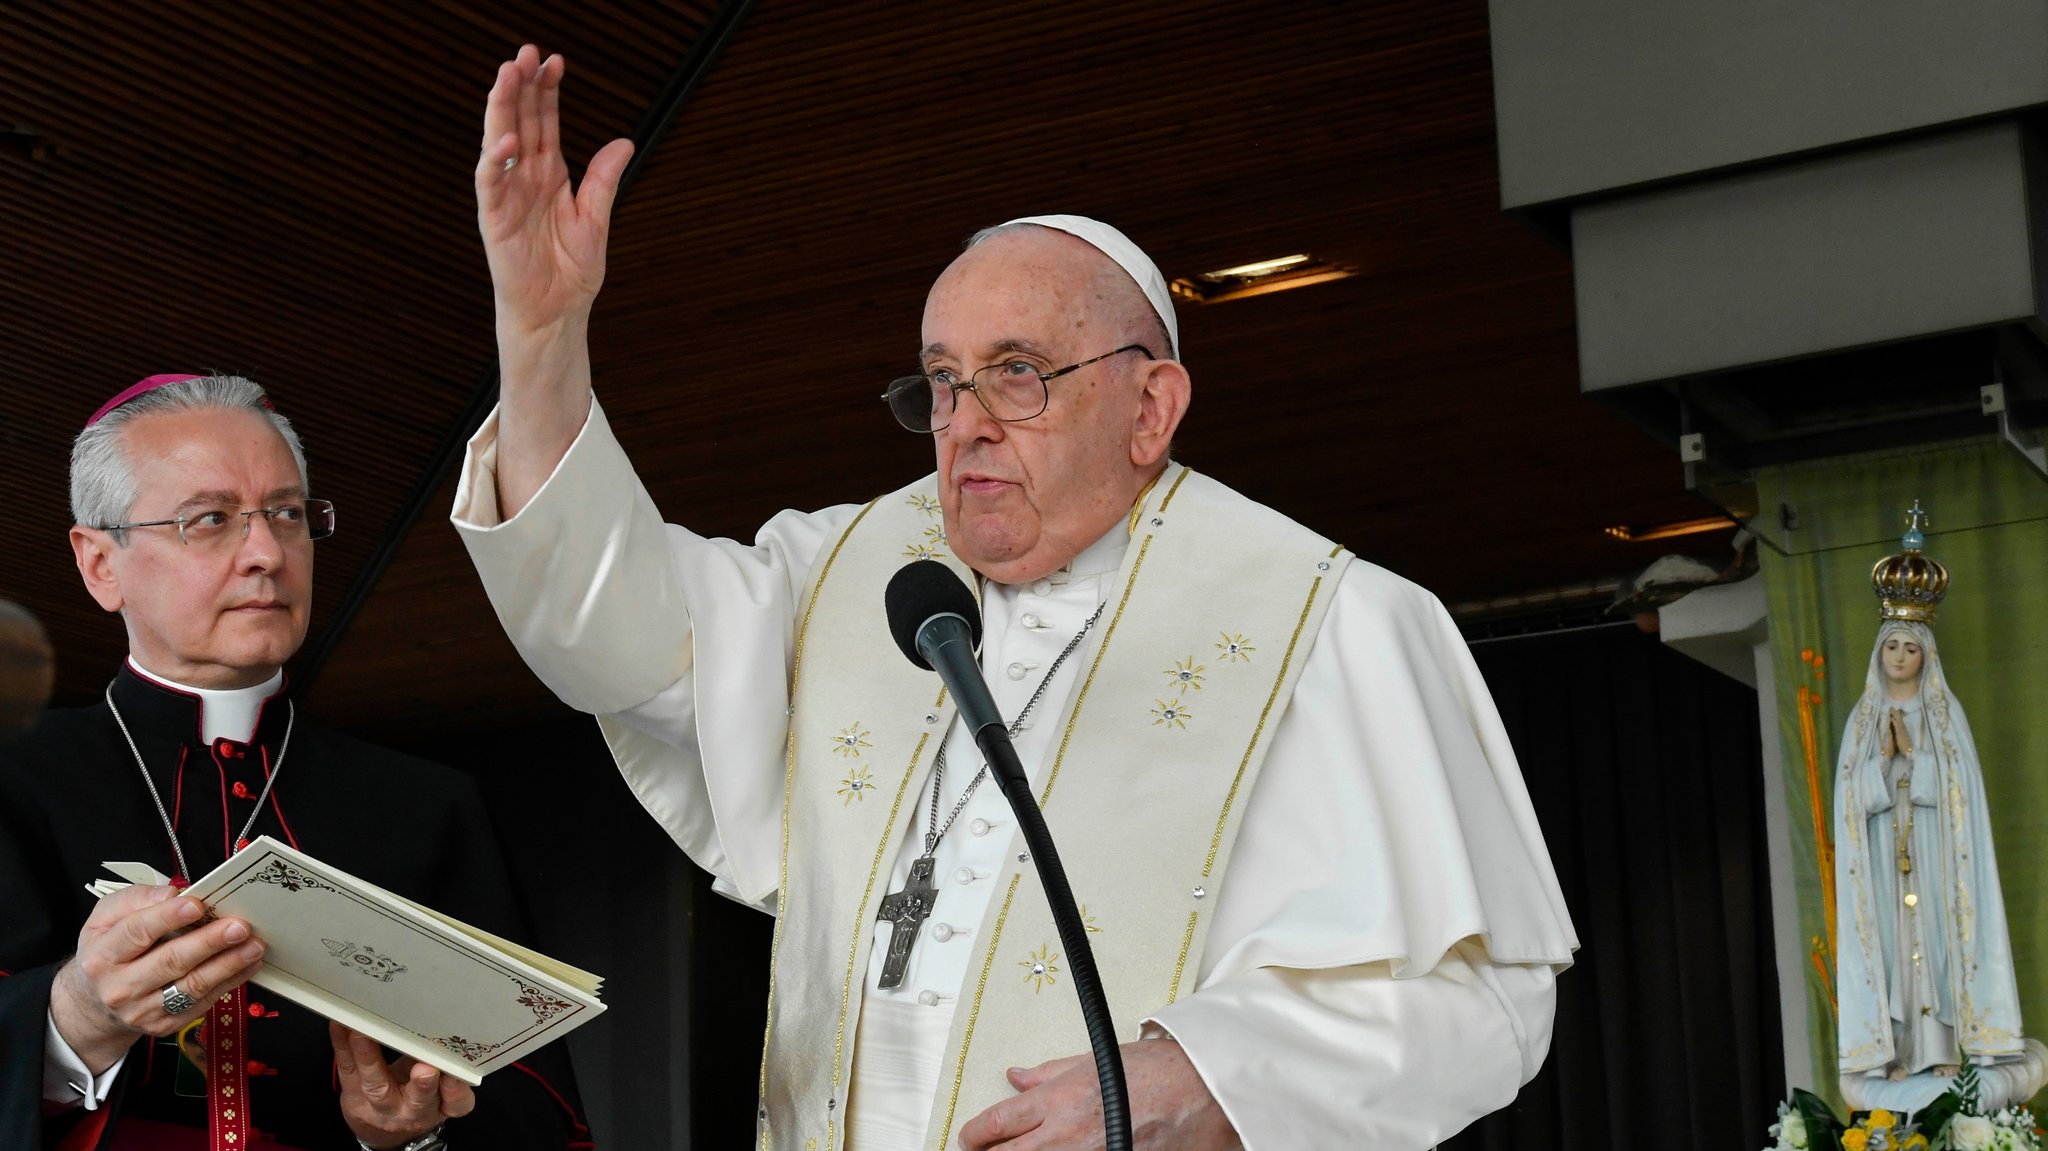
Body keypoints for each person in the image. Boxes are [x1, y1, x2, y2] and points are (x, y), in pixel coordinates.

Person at [457, 45, 1576, 1150]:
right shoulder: (849, 573)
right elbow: (603, 623)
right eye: (942, 379)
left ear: (1151, 407)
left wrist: (1210, 1075)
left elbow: (1480, 1001)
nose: (966, 420)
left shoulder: (1327, 623)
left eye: (1017, 371)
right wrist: (542, 337)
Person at [0, 375, 586, 1151]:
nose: (267, 554)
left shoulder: (426, 807)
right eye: (210, 519)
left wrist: (406, 1138)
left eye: (286, 513)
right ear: (101, 563)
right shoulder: (16, 777)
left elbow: (534, 1111)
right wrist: (73, 1020)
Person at [1833, 513, 2039, 1111]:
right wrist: (1883, 762)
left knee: (1941, 945)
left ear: (1927, 655)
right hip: (1882, 858)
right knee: (1896, 951)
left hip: (1936, 854)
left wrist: (1916, 760)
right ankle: (1900, 1049)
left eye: (1910, 648)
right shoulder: (1862, 720)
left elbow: (1960, 795)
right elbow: (1850, 800)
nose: (1899, 657)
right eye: (1891, 646)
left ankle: (1945, 1044)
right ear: (1880, 652)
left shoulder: (1946, 717)